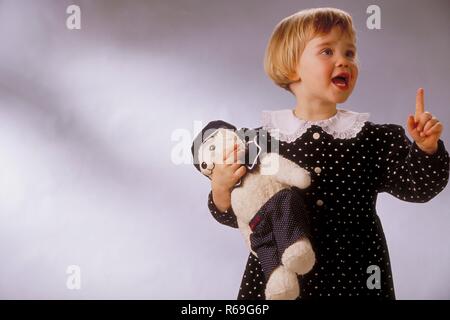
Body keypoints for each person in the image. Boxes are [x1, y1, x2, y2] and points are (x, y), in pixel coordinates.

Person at [206, 7, 449, 299]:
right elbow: (247, 212)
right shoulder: (258, 141)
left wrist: (426, 148)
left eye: (349, 53)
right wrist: (220, 190)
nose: (343, 61)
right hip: (282, 275)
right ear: (292, 65)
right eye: (327, 51)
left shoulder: (372, 137)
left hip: (354, 274)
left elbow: (418, 187)